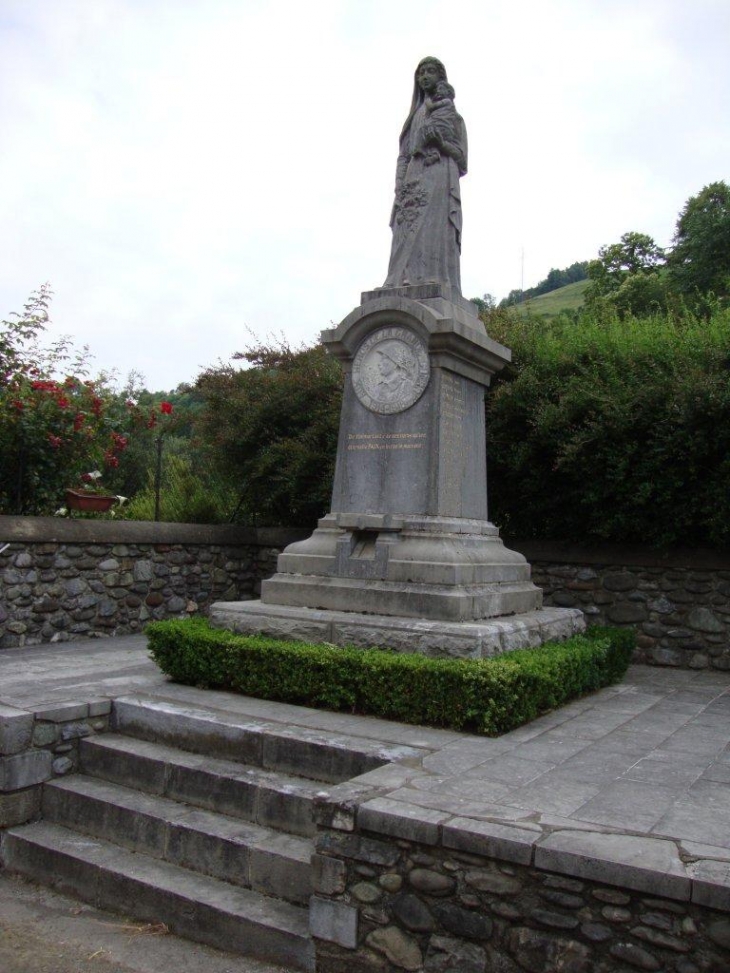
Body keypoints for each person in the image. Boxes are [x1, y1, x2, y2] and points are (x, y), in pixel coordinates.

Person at [383, 58, 468, 293]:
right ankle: (401, 278)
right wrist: (399, 186)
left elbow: (462, 159)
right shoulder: (414, 118)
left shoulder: (452, 115)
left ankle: (434, 277)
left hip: (440, 174)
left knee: (432, 228)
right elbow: (403, 155)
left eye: (430, 71)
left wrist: (440, 142)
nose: (425, 77)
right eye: (421, 73)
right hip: (413, 175)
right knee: (405, 228)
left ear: (441, 77)